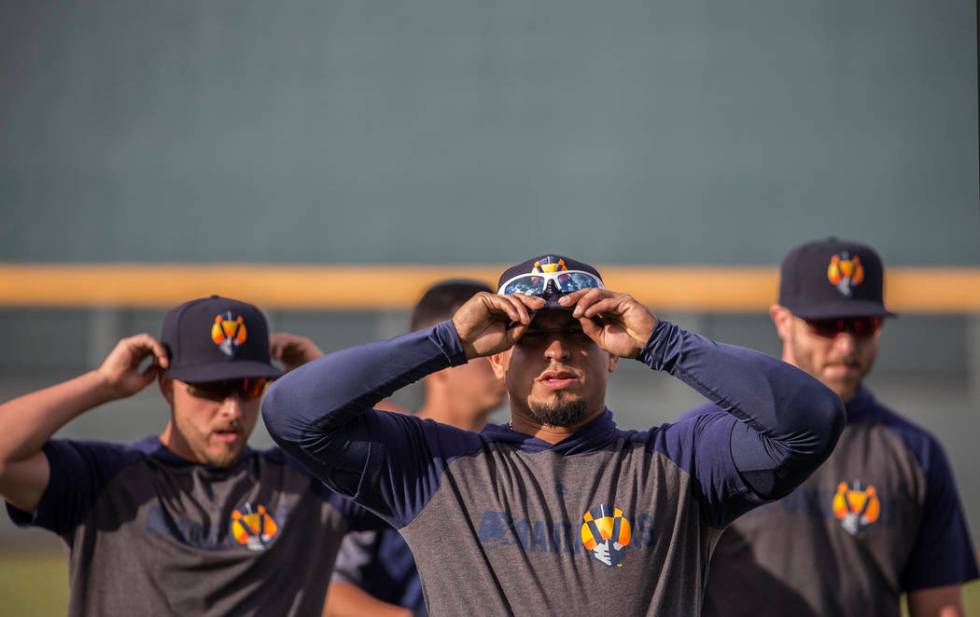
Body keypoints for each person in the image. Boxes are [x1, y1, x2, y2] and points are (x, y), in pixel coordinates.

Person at [262, 254, 845, 616]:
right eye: (531, 337)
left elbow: (812, 419)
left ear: (611, 353)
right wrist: (448, 341)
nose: (558, 349)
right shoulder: (436, 465)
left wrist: (662, 342)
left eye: (580, 332)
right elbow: (292, 411)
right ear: (495, 359)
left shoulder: (679, 461)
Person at [0, 295, 377, 616]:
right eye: (211, 388)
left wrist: (329, 383)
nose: (232, 408)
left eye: (249, 386)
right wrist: (102, 384)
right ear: (167, 387)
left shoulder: (306, 483)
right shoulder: (105, 478)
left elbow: (416, 458)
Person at [700, 238, 979, 617]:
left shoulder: (915, 452)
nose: (847, 345)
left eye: (863, 325)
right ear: (783, 321)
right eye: (826, 325)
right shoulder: (716, 439)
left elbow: (940, 606)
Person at [324, 280, 505, 617]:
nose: (502, 358)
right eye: (485, 348)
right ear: (440, 359)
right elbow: (322, 582)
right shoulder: (382, 455)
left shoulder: (510, 460)